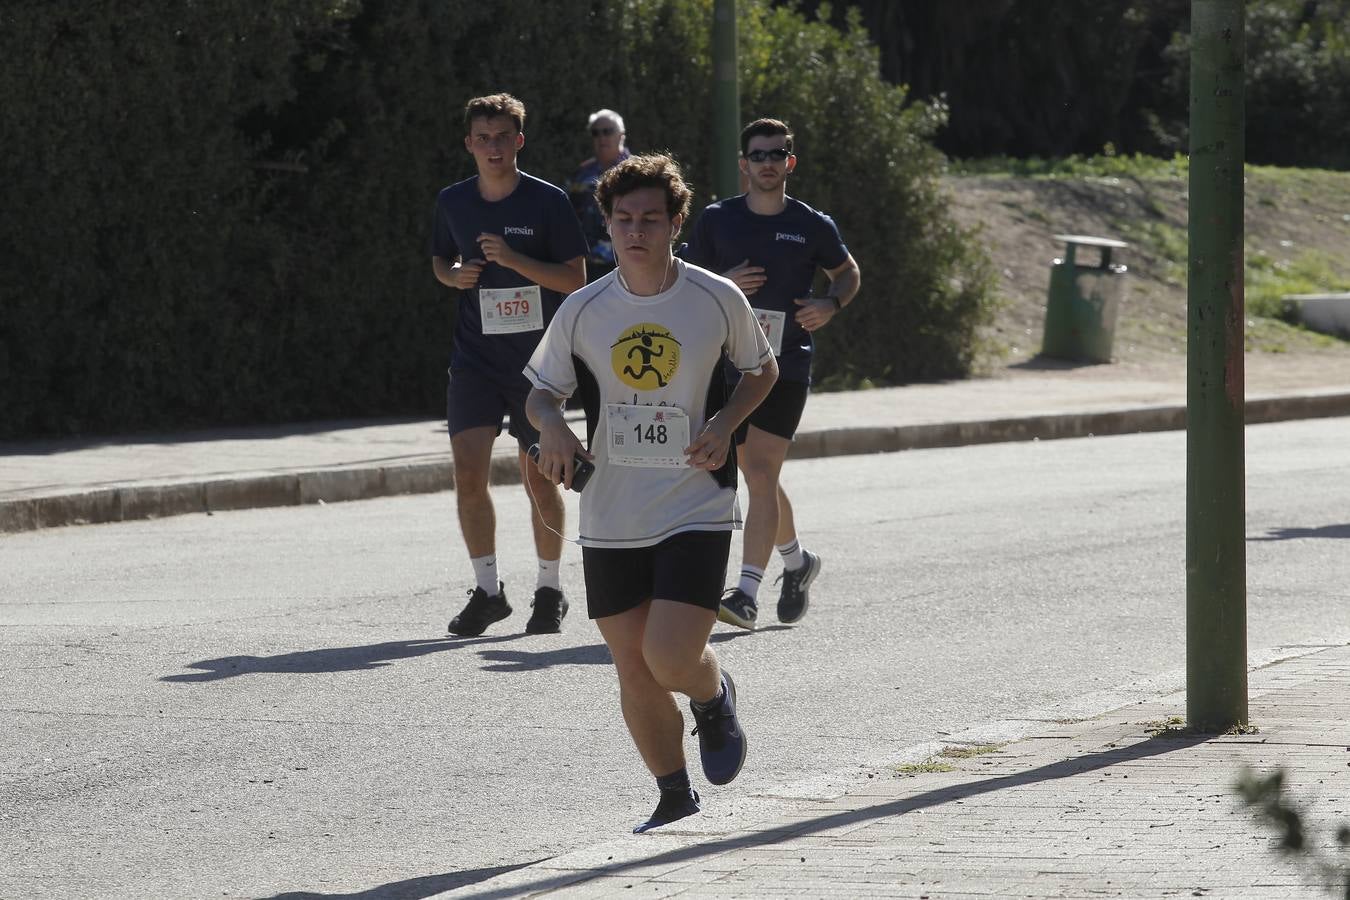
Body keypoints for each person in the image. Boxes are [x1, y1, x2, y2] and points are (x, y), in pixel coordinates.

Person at [524, 154, 778, 832]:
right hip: (610, 508)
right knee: (633, 668)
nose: (635, 232)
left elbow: (762, 371)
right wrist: (552, 430)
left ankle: (714, 691)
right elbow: (540, 393)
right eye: (623, 219)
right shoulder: (584, 309)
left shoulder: (715, 298)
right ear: (606, 225)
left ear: (675, 225)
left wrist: (726, 425)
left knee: (669, 657)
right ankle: (673, 796)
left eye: (650, 220)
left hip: (696, 500)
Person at [681, 118, 861, 630]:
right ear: (743, 163)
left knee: (758, 472)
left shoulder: (811, 224)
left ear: (790, 163)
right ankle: (798, 562)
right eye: (757, 155)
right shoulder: (717, 221)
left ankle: (746, 592)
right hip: (726, 368)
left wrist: (831, 302)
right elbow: (683, 280)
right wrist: (724, 283)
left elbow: (847, 271)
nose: (767, 162)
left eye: (776, 154)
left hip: (785, 365)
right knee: (760, 474)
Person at [430, 92, 589, 636]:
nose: (493, 147)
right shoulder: (453, 200)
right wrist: (453, 276)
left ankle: (549, 590)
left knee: (539, 482)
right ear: (469, 144)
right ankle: (488, 591)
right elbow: (439, 258)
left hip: (536, 367)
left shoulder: (547, 201)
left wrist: (514, 259)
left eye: (503, 137)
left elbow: (576, 279)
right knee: (468, 476)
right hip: (474, 359)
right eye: (483, 138)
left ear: (519, 141)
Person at [566, 109, 631, 279]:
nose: (602, 137)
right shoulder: (581, 173)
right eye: (596, 133)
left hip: (626, 262)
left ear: (621, 135)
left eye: (608, 131)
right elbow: (568, 214)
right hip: (587, 265)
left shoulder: (636, 172)